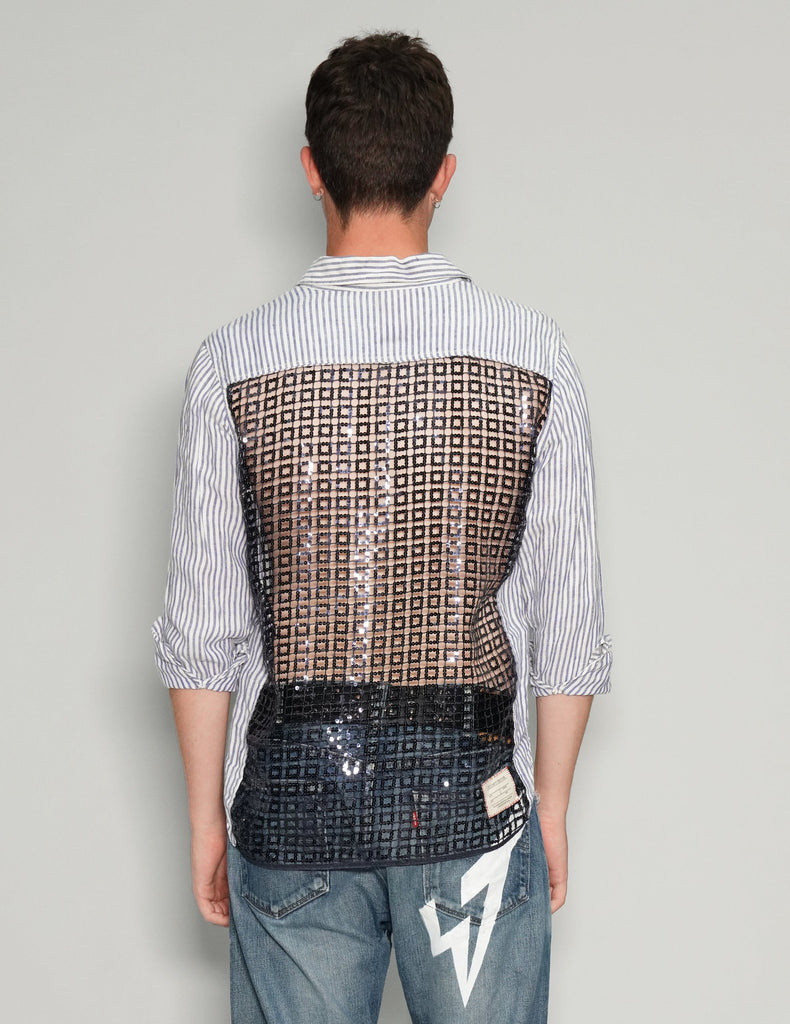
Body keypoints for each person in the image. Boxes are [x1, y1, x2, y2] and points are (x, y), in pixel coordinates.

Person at [153, 31, 611, 1024]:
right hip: (474, 805)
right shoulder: (534, 358)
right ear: (443, 174)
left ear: (311, 169)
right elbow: (568, 623)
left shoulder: (233, 364)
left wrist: (204, 820)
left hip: (290, 809)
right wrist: (553, 806)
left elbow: (203, 629)